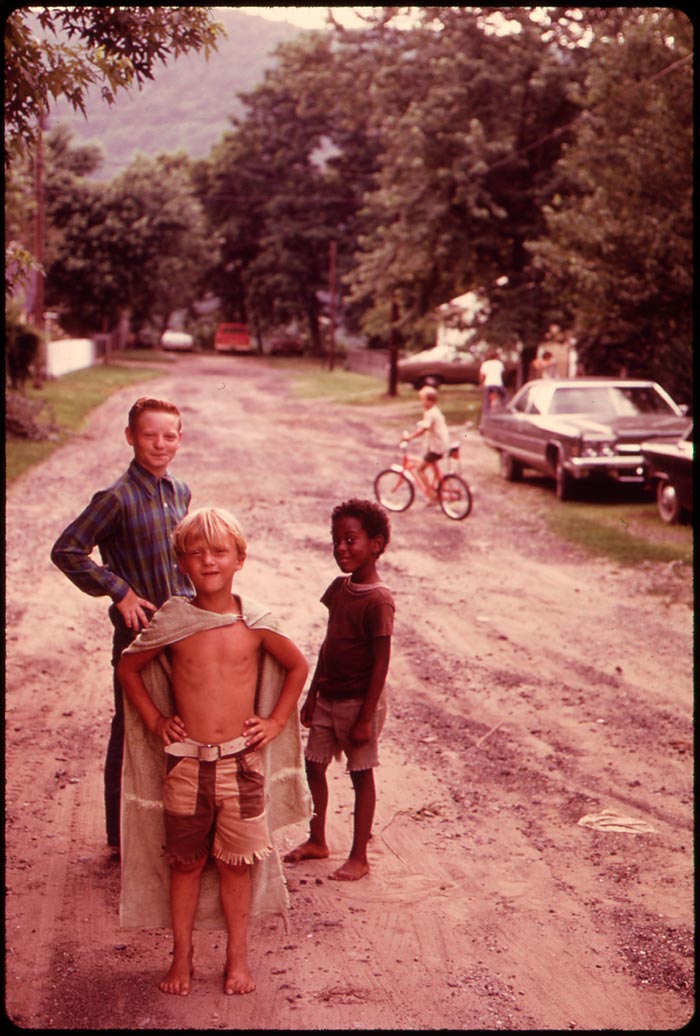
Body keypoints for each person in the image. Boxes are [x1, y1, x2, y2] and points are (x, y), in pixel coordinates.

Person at [117, 507, 309, 997]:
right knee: (184, 864)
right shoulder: (174, 620)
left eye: (219, 552)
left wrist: (276, 720)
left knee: (236, 866)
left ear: (239, 559)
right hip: (184, 764)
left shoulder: (254, 622)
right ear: (181, 562)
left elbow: (296, 666)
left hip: (241, 768)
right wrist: (157, 720)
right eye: (196, 553)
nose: (208, 561)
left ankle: (237, 960)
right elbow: (129, 668)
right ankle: (181, 957)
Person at [50, 396, 192, 851]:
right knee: (130, 727)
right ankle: (120, 836)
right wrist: (120, 591)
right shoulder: (115, 498)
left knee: (182, 722)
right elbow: (67, 549)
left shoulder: (180, 491)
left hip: (183, 629)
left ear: (179, 439)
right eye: (149, 434)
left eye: (168, 435)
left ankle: (175, 824)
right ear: (130, 437)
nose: (159, 443)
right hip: (139, 635)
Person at [284, 499, 394, 882]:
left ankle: (359, 856)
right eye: (336, 541)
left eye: (351, 540)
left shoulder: (379, 600)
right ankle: (317, 840)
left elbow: (381, 662)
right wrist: (313, 692)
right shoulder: (339, 588)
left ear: (376, 544)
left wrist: (365, 717)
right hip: (329, 697)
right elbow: (329, 644)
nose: (341, 549)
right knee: (313, 765)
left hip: (359, 703)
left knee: (360, 775)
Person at [402, 384, 450, 497]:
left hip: (437, 447)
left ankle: (431, 494)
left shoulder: (430, 413)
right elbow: (426, 425)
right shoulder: (434, 411)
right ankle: (436, 489)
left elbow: (423, 430)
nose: (422, 403)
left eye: (423, 400)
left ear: (431, 401)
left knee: (420, 469)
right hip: (441, 445)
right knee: (430, 465)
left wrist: (409, 437)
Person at [478, 349, 507, 415]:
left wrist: (481, 384)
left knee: (486, 400)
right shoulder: (499, 363)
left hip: (488, 384)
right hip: (498, 383)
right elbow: (502, 373)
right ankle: (505, 409)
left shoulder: (485, 364)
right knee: (505, 396)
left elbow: (481, 376)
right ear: (496, 356)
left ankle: (485, 413)